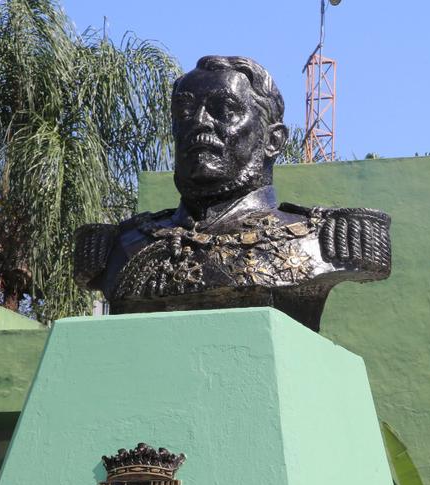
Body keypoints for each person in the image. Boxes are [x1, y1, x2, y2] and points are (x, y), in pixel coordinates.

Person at [74, 55, 392, 330]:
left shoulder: (323, 239)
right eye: (184, 112)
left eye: (224, 110)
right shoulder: (118, 246)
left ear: (273, 140)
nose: (198, 122)